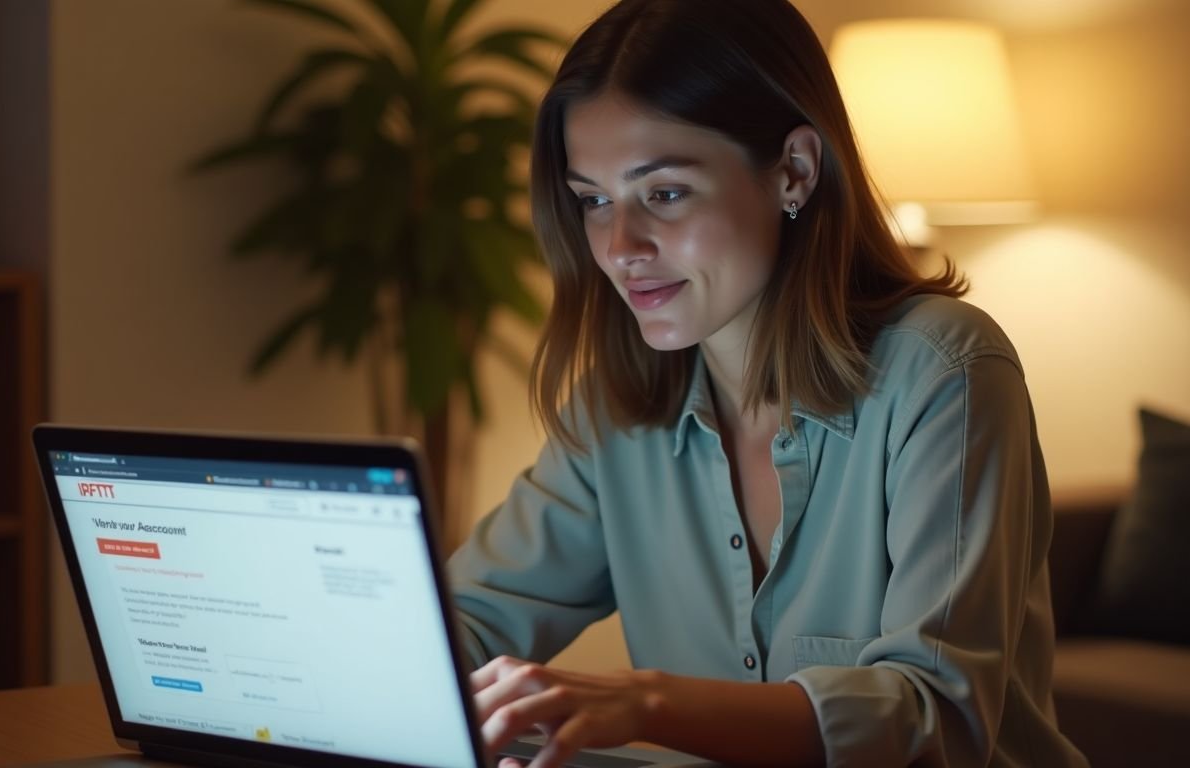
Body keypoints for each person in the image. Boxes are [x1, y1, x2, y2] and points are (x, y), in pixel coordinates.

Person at [446, 1, 1089, 766]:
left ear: (794, 170)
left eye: (666, 192)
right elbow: (466, 621)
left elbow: (935, 721)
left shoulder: (946, 372)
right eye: (593, 201)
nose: (620, 247)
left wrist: (645, 702)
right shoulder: (613, 410)